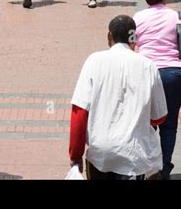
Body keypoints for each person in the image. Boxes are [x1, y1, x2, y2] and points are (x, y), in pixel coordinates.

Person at [69, 15, 167, 179]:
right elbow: (159, 117)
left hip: (100, 153)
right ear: (133, 38)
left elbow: (79, 112)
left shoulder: (94, 61)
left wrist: (76, 154)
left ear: (109, 36)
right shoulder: (148, 66)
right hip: (134, 155)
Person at [134, 0, 181, 179]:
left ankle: (146, 167)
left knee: (146, 124)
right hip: (174, 75)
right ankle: (164, 169)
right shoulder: (178, 16)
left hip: (146, 74)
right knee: (169, 125)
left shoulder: (138, 17)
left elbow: (131, 44)